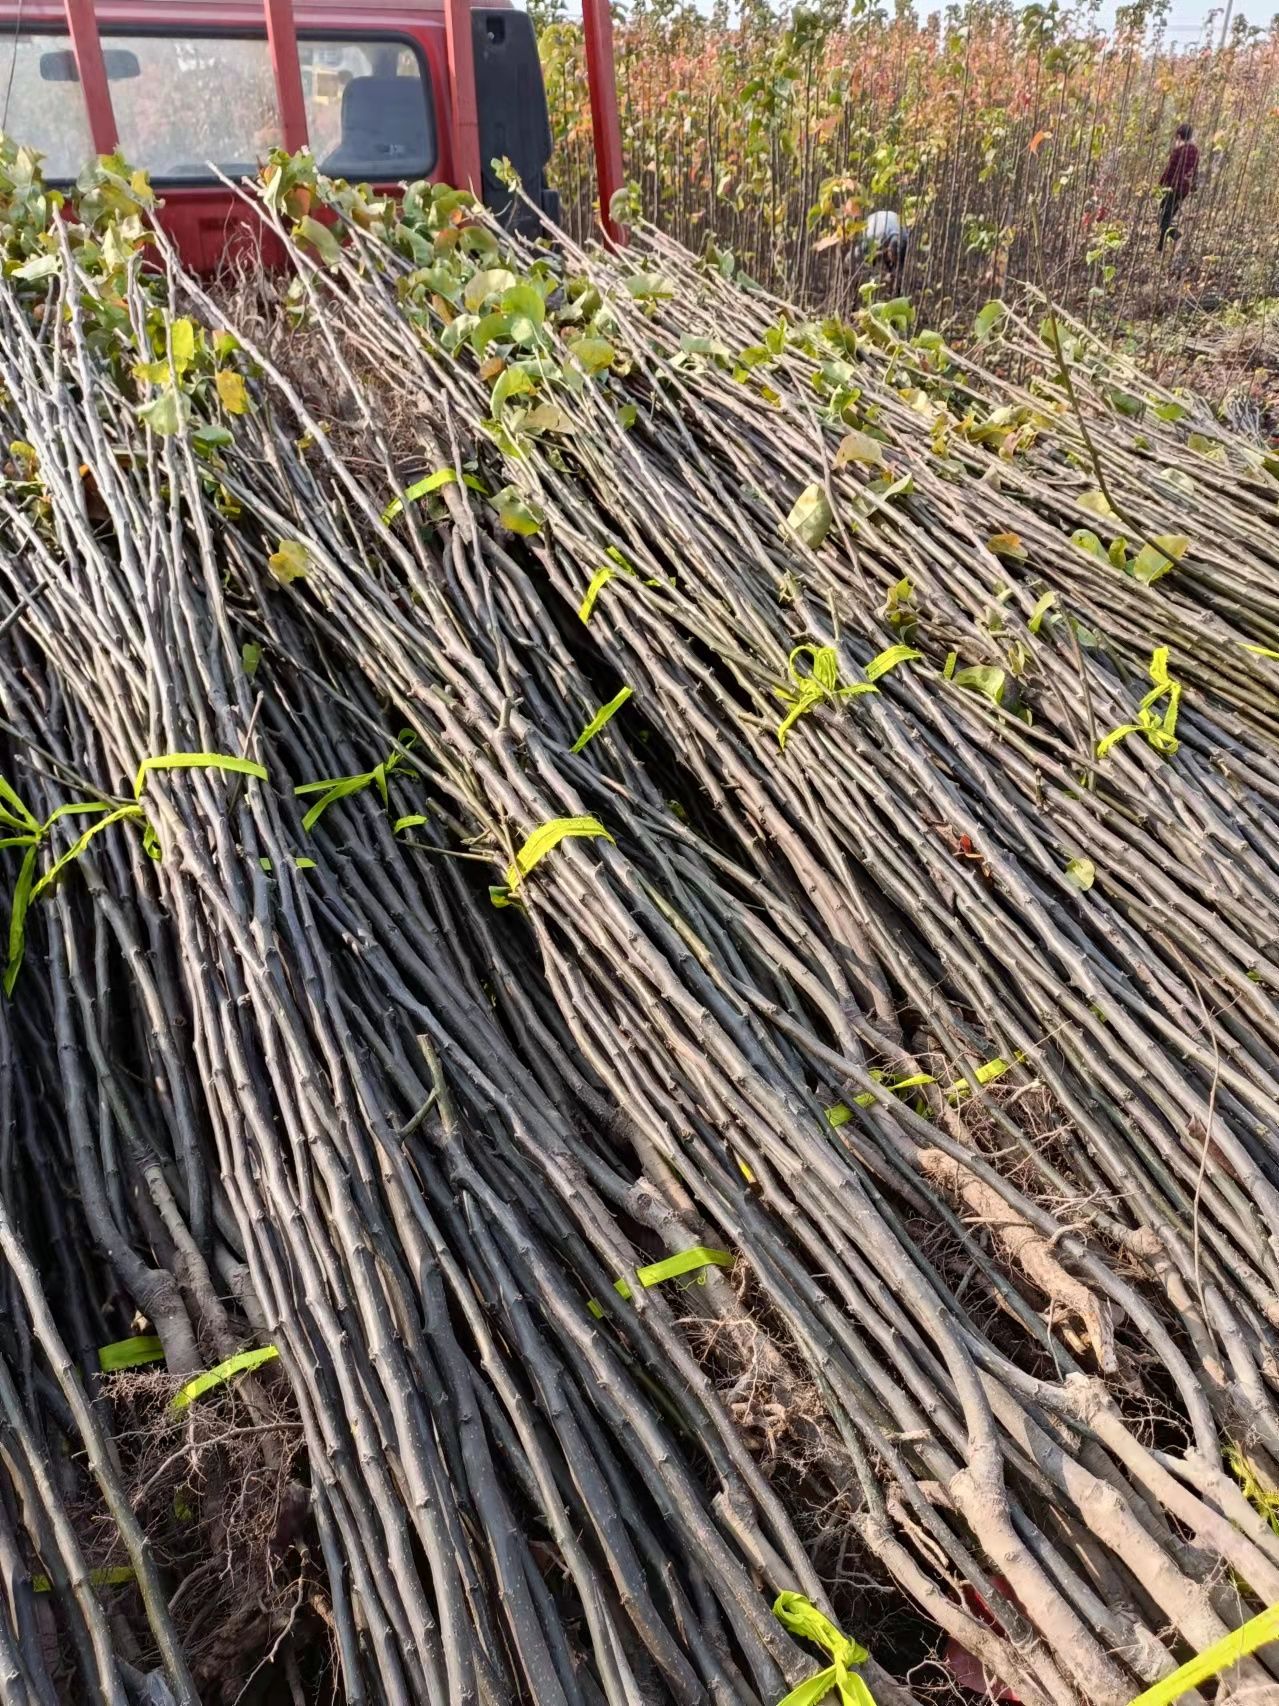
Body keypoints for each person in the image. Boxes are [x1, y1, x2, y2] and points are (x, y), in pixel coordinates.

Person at [1158, 123, 1199, 253]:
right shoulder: (1195, 151)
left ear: (1179, 136)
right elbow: (1194, 170)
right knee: (1167, 216)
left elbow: (1170, 170)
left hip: (1174, 188)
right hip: (1184, 189)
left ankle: (1178, 238)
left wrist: (1160, 184)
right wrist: (1193, 184)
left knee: (1163, 218)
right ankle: (1160, 246)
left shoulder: (1178, 151)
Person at [861, 209, 909, 286]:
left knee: (898, 267)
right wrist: (880, 278)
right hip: (875, 220)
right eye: (893, 257)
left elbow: (901, 256)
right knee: (869, 259)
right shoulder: (873, 235)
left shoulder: (905, 235)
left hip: (893, 219)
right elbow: (864, 255)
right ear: (889, 250)